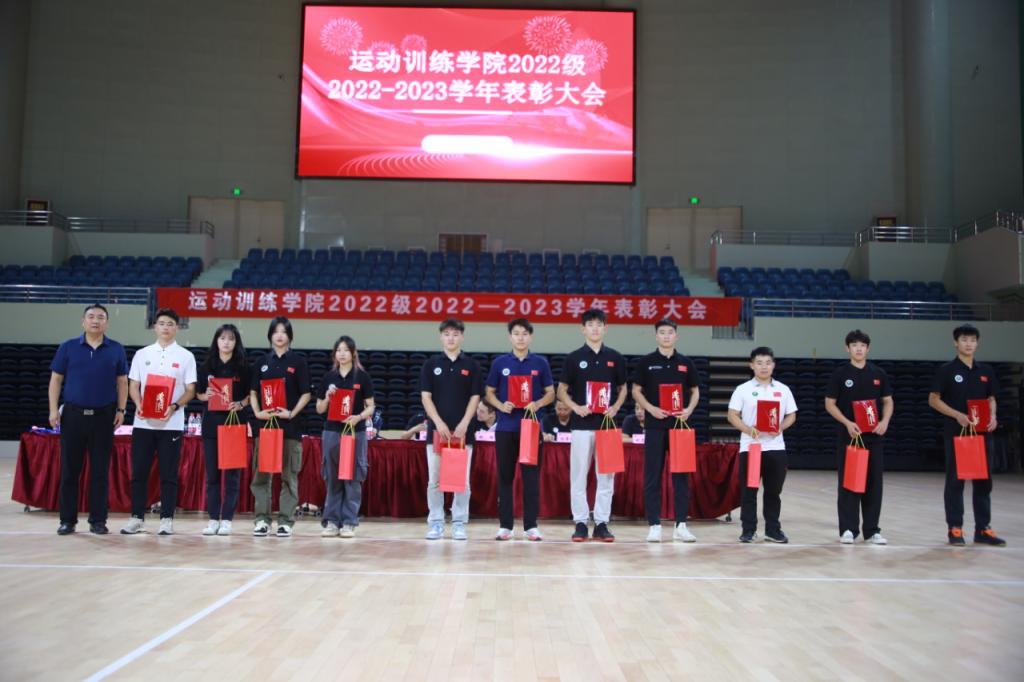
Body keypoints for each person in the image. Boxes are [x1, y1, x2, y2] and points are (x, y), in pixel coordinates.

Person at [49, 303, 129, 535]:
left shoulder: (116, 349)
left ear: (107, 323)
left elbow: (122, 382)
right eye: (91, 317)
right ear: (83, 321)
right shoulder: (68, 347)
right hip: (73, 416)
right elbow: (56, 380)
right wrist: (53, 410)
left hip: (104, 417)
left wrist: (121, 410)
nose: (95, 321)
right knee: (69, 472)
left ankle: (98, 520)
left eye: (100, 317)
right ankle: (67, 520)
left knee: (100, 472)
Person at [928, 324, 1006, 546]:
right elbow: (933, 399)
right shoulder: (946, 370)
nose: (969, 344)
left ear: (977, 343)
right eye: (964, 339)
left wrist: (993, 416)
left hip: (982, 434)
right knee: (956, 481)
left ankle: (983, 529)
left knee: (984, 481)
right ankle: (955, 528)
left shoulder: (986, 371)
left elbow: (991, 398)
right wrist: (957, 415)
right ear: (956, 343)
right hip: (957, 433)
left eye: (972, 340)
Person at [121, 308, 197, 535]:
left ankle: (166, 519)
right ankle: (136, 517)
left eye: (170, 324)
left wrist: (173, 407)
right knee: (139, 472)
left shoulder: (186, 356)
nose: (166, 327)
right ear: (155, 326)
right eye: (162, 323)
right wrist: (139, 403)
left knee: (169, 474)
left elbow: (191, 390)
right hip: (143, 423)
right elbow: (133, 385)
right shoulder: (142, 354)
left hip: (171, 425)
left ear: (177, 328)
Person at [557, 308, 628, 542]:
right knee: (578, 475)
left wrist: (616, 406)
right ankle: (580, 522)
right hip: (580, 425)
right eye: (591, 325)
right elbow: (561, 390)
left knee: (606, 477)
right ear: (583, 329)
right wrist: (575, 407)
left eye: (599, 325)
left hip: (607, 425)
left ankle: (601, 523)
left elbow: (623, 388)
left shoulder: (616, 357)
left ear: (605, 328)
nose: (595, 329)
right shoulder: (573, 358)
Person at [485, 318, 556, 541]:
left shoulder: (540, 363)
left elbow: (551, 393)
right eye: (516, 333)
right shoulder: (500, 363)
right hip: (505, 427)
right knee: (505, 477)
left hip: (531, 428)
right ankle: (505, 526)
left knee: (531, 478)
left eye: (524, 333)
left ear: (530, 337)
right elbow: (489, 392)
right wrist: (500, 406)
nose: (520, 337)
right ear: (510, 337)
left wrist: (538, 403)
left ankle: (531, 526)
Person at [631, 318, 701, 543]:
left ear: (676, 336)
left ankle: (681, 525)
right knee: (652, 476)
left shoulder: (686, 363)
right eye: (662, 332)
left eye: (670, 332)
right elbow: (636, 390)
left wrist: (689, 410)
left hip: (680, 426)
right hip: (655, 426)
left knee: (681, 477)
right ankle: (654, 525)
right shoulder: (646, 362)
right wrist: (650, 408)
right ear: (656, 336)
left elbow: (695, 390)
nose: (666, 336)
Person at [824, 329, 893, 545]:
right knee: (849, 482)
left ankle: (872, 531)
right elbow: (830, 404)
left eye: (862, 345)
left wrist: (884, 421)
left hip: (874, 438)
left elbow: (888, 401)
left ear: (868, 348)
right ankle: (848, 529)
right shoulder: (840, 374)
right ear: (848, 348)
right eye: (854, 345)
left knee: (874, 484)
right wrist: (847, 422)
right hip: (850, 437)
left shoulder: (879, 373)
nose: (859, 349)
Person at [419, 318, 483, 541]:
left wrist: (465, 423)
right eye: (447, 334)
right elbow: (426, 397)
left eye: (455, 334)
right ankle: (436, 522)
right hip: (437, 432)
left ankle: (459, 522)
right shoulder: (430, 364)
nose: (451, 338)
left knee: (461, 480)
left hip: (462, 433)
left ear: (462, 337)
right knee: (435, 480)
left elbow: (475, 397)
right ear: (441, 337)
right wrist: (438, 422)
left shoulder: (472, 365)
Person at [726, 346, 797, 544]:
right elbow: (732, 415)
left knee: (774, 492)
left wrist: (780, 427)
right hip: (751, 448)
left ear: (773, 365)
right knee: (749, 491)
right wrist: (749, 430)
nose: (764, 367)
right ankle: (748, 530)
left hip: (776, 447)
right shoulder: (743, 389)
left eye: (767, 363)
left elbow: (792, 415)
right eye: (759, 363)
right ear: (751, 365)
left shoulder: (783, 389)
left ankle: (773, 530)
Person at [250, 316, 311, 537]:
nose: (279, 335)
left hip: (290, 429)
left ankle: (286, 521)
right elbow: (253, 392)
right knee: (262, 476)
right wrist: (258, 413)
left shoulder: (298, 362)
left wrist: (291, 413)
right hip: (265, 428)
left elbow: (306, 393)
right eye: (275, 331)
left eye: (284, 331)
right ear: (270, 335)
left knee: (289, 476)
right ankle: (262, 520)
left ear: (290, 336)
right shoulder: (261, 362)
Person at [315, 335, 375, 539]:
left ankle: (349, 521)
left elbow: (371, 407)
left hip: (355, 432)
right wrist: (327, 397)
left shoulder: (362, 377)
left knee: (353, 476)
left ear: (353, 353)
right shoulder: (328, 377)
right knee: (332, 476)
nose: (342, 354)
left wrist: (359, 417)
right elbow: (319, 409)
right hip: (332, 431)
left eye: (346, 350)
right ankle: (332, 521)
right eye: (338, 350)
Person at [195, 324, 251, 537]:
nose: (226, 342)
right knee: (212, 476)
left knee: (232, 476)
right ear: (216, 341)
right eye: (222, 338)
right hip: (211, 425)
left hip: (234, 424)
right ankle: (213, 519)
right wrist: (206, 395)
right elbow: (198, 394)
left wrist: (241, 404)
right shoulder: (207, 366)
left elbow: (251, 395)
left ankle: (226, 519)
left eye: (231, 338)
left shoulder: (243, 367)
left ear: (236, 342)